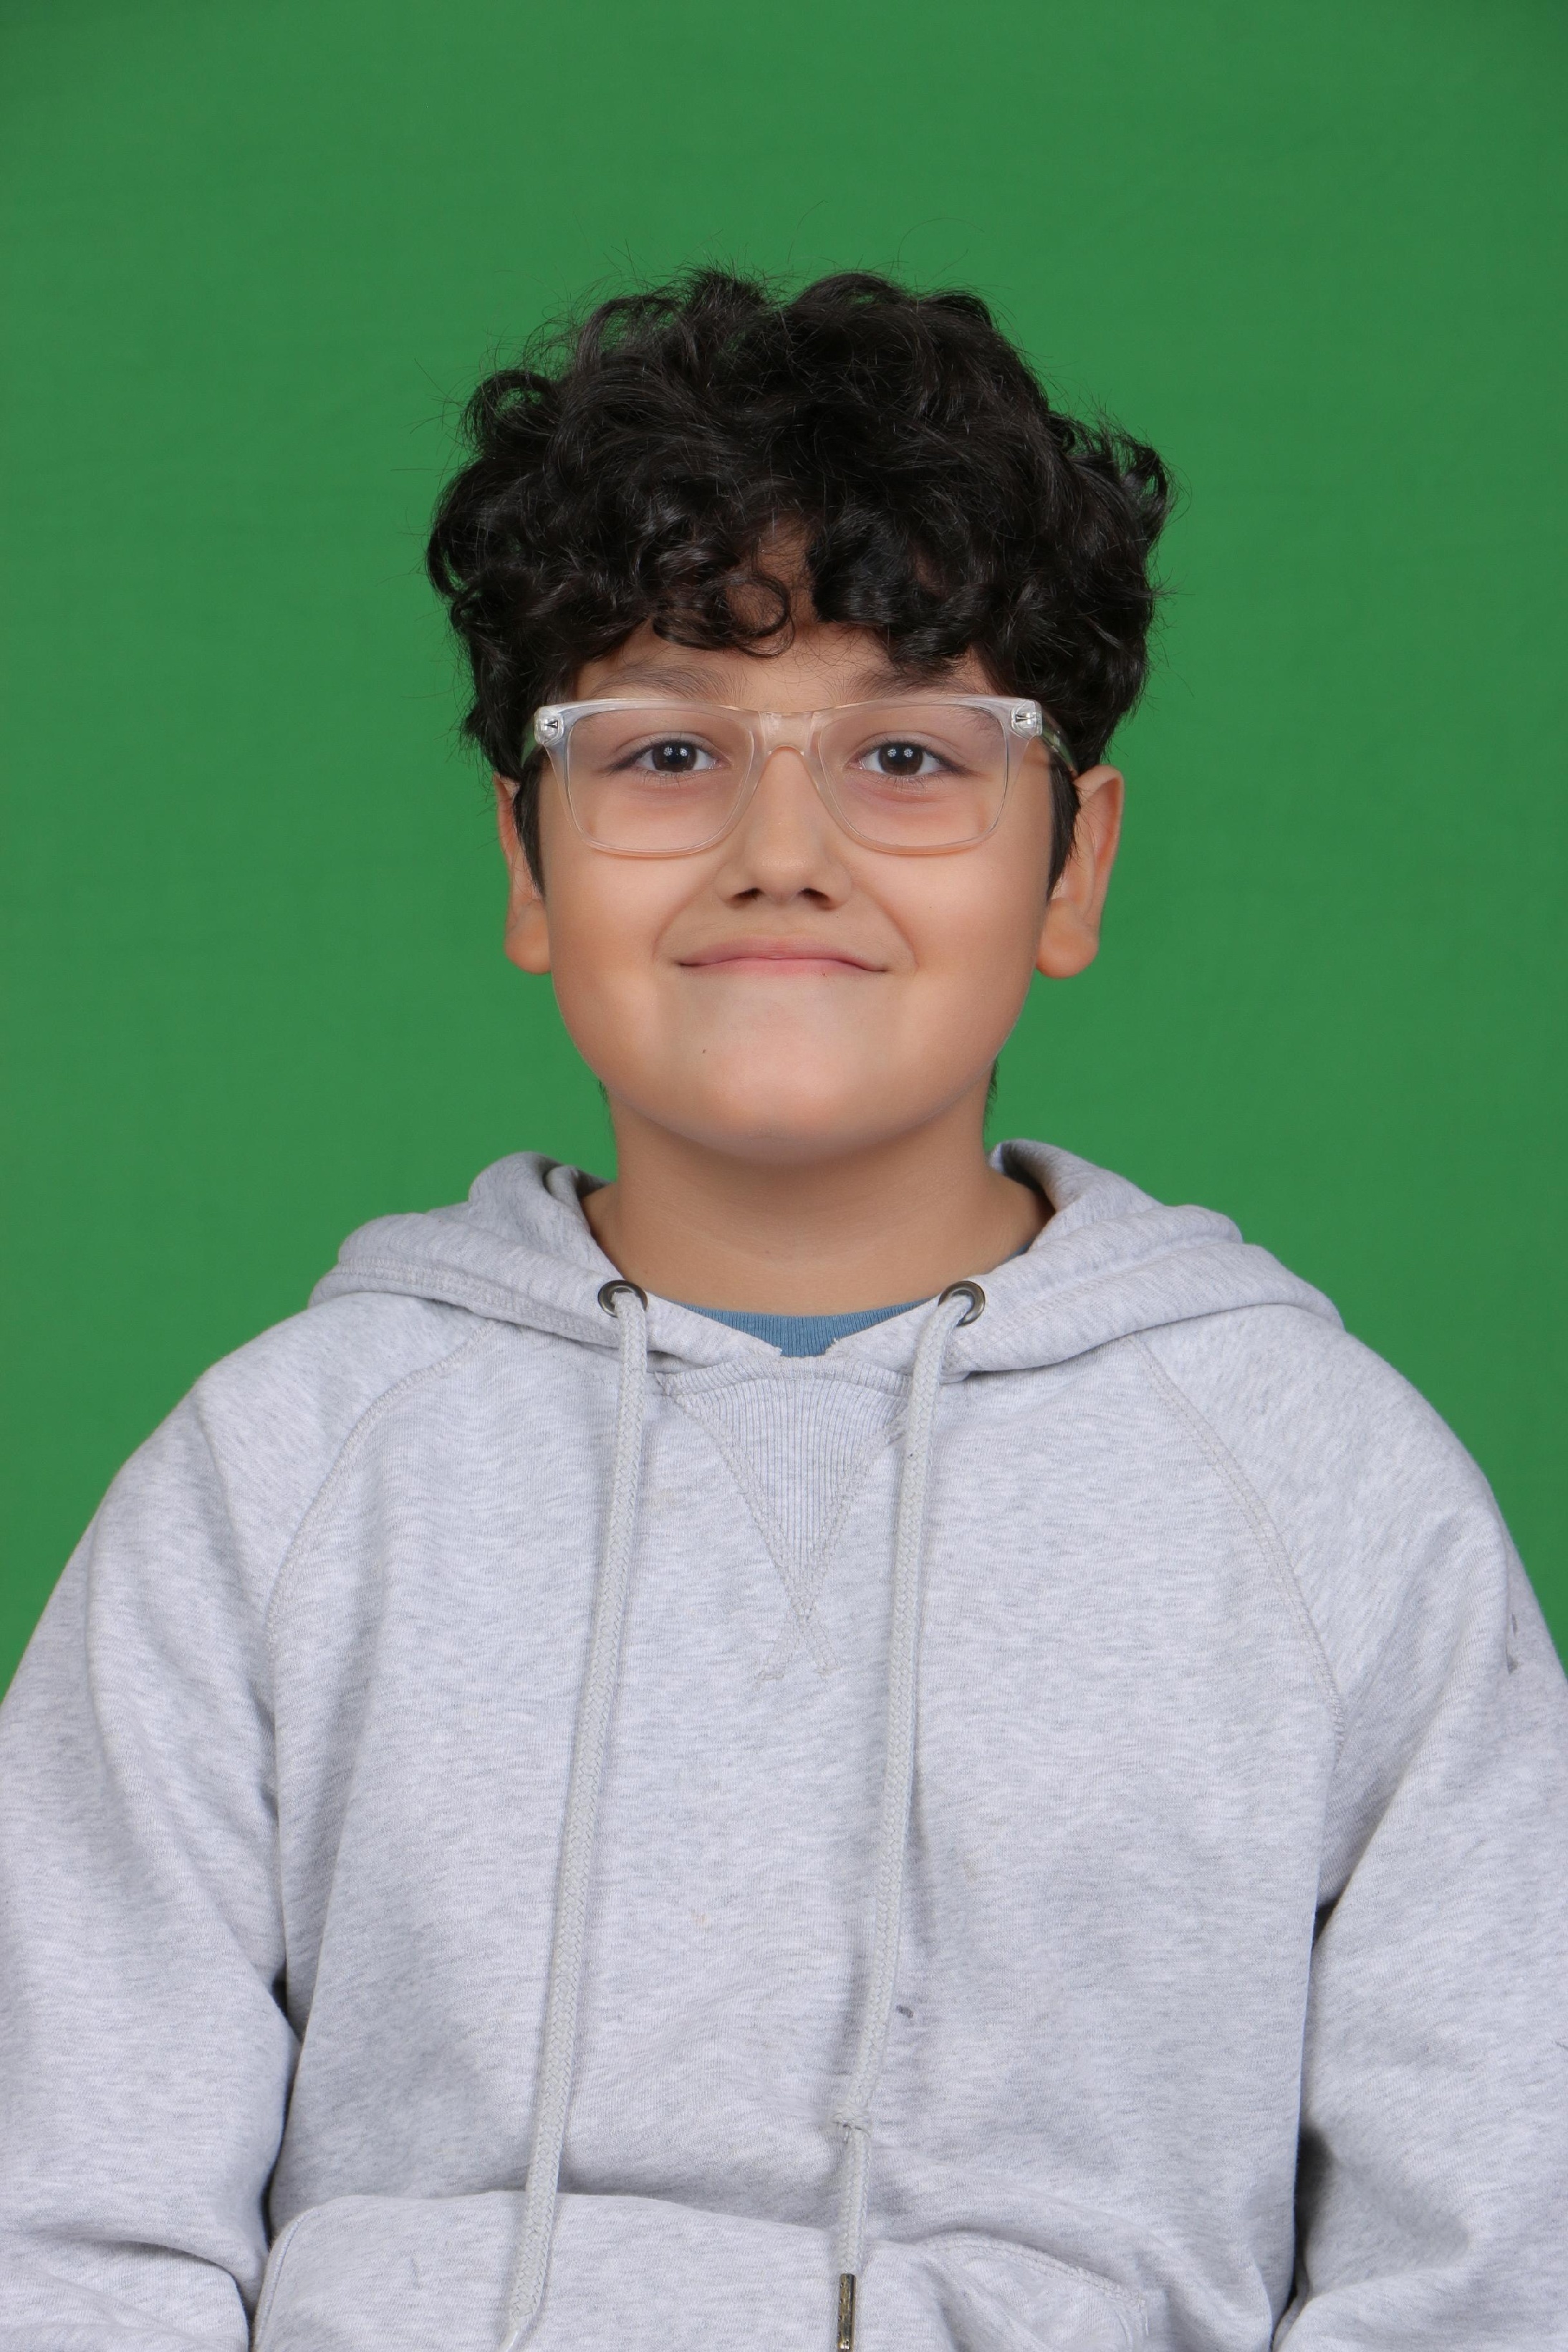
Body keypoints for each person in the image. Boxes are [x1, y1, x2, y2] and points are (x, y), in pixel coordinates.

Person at [0, 270, 1563, 2352]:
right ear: (530, 859)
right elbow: (62, 2231)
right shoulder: (276, 1479)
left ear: (1072, 865)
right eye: (665, 752)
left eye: (910, 752)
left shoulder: (1334, 1498)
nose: (782, 851)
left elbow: (1490, 2267)